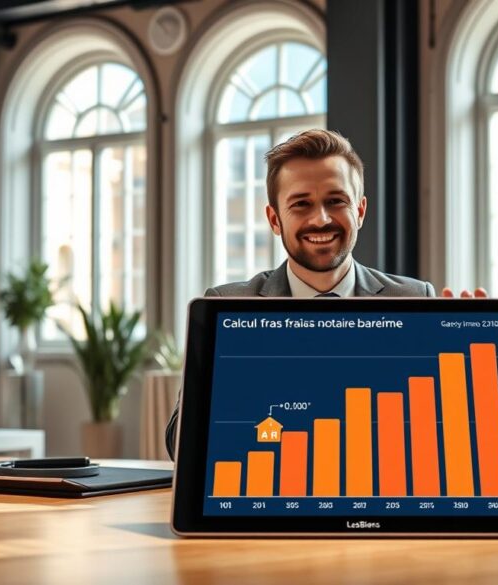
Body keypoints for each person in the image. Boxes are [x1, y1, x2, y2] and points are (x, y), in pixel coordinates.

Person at [165, 129, 435, 458]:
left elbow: (434, 435)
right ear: (275, 219)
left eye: (336, 201)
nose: (320, 219)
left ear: (360, 211)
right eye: (301, 204)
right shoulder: (227, 307)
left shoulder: (414, 299)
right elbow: (180, 443)